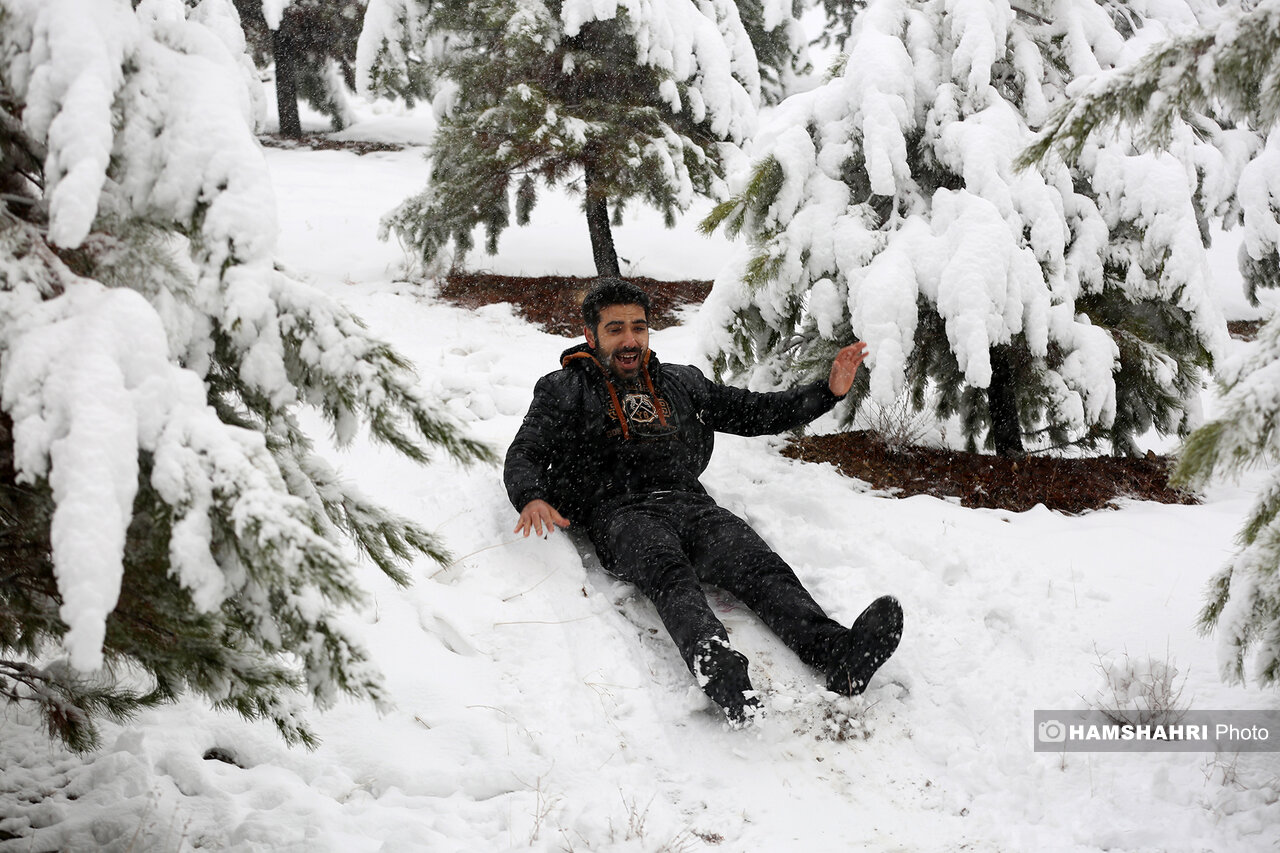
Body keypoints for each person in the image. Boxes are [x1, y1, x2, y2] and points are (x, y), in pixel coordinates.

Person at [504, 278, 903, 724]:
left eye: (639, 327)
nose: (630, 339)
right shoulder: (564, 388)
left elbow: (755, 412)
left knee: (759, 566)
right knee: (668, 572)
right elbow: (525, 452)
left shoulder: (680, 382)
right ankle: (714, 661)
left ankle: (836, 654)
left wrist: (826, 391)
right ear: (591, 335)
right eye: (616, 329)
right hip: (619, 512)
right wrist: (531, 496)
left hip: (690, 504)